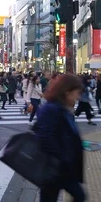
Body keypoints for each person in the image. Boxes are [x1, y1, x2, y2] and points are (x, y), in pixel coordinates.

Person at [35, 74, 85, 202]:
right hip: (55, 168)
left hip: (62, 168)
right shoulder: (51, 109)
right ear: (67, 92)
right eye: (76, 93)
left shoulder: (61, 108)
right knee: (78, 196)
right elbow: (45, 137)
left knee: (78, 196)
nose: (77, 97)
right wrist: (62, 158)